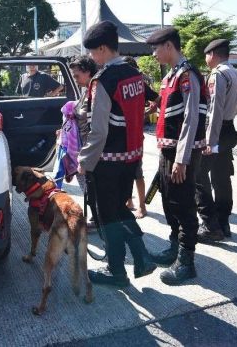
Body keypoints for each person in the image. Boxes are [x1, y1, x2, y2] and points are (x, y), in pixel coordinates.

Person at [78, 20, 156, 287]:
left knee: (106, 216)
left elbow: (98, 131)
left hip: (107, 161)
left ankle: (119, 270)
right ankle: (140, 257)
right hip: (131, 157)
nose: (91, 57)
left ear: (102, 48)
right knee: (119, 210)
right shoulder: (134, 75)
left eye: (92, 51)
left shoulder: (103, 81)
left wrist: (84, 161)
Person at [145, 27, 207, 285]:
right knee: (169, 200)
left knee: (183, 204)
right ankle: (173, 246)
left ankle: (187, 260)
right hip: (167, 149)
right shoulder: (170, 76)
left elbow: (191, 117)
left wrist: (182, 159)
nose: (154, 53)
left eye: (156, 48)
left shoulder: (187, 75)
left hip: (182, 153)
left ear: (169, 46)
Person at [195, 39, 237, 243]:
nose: (206, 59)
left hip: (215, 131)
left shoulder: (218, 74)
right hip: (228, 128)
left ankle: (209, 224)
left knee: (198, 175)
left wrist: (210, 140)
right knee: (222, 177)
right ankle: (223, 222)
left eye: (207, 55)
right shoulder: (235, 72)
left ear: (212, 54)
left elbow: (214, 109)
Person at [122, 56, 160, 219]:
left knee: (136, 171)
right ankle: (129, 201)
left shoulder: (139, 84)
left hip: (134, 136)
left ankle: (142, 206)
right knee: (125, 170)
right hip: (123, 134)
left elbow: (158, 98)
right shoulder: (124, 84)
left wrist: (149, 111)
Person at [68, 55, 98, 230]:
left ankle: (97, 219)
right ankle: (96, 216)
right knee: (87, 185)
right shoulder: (85, 90)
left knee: (92, 185)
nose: (75, 79)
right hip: (82, 145)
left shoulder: (96, 90)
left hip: (91, 147)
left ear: (88, 72)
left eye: (77, 75)